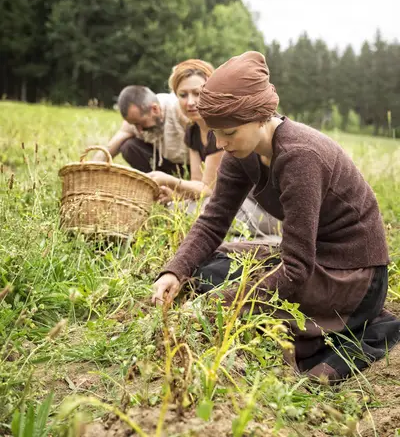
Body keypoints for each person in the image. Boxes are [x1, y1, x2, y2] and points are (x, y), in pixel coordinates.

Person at [152, 51, 400, 382]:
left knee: (247, 306)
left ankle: (370, 325)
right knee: (209, 267)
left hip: (352, 273)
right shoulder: (241, 151)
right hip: (309, 256)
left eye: (229, 133)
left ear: (260, 117)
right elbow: (213, 221)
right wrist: (174, 271)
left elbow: (296, 269)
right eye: (215, 133)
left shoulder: (300, 157)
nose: (221, 143)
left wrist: (218, 308)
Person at [148, 59, 279, 241]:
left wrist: (168, 180)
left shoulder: (221, 131)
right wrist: (176, 195)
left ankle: (265, 235)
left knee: (196, 212)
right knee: (175, 207)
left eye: (197, 93)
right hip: (226, 201)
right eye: (183, 95)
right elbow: (197, 183)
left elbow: (208, 190)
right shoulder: (192, 132)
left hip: (256, 205)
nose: (190, 102)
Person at [94, 85, 188, 175]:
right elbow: (110, 147)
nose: (139, 130)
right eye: (134, 125)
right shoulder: (137, 118)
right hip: (167, 164)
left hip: (191, 164)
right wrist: (91, 168)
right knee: (128, 147)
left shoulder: (178, 109)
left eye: (140, 123)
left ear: (155, 109)